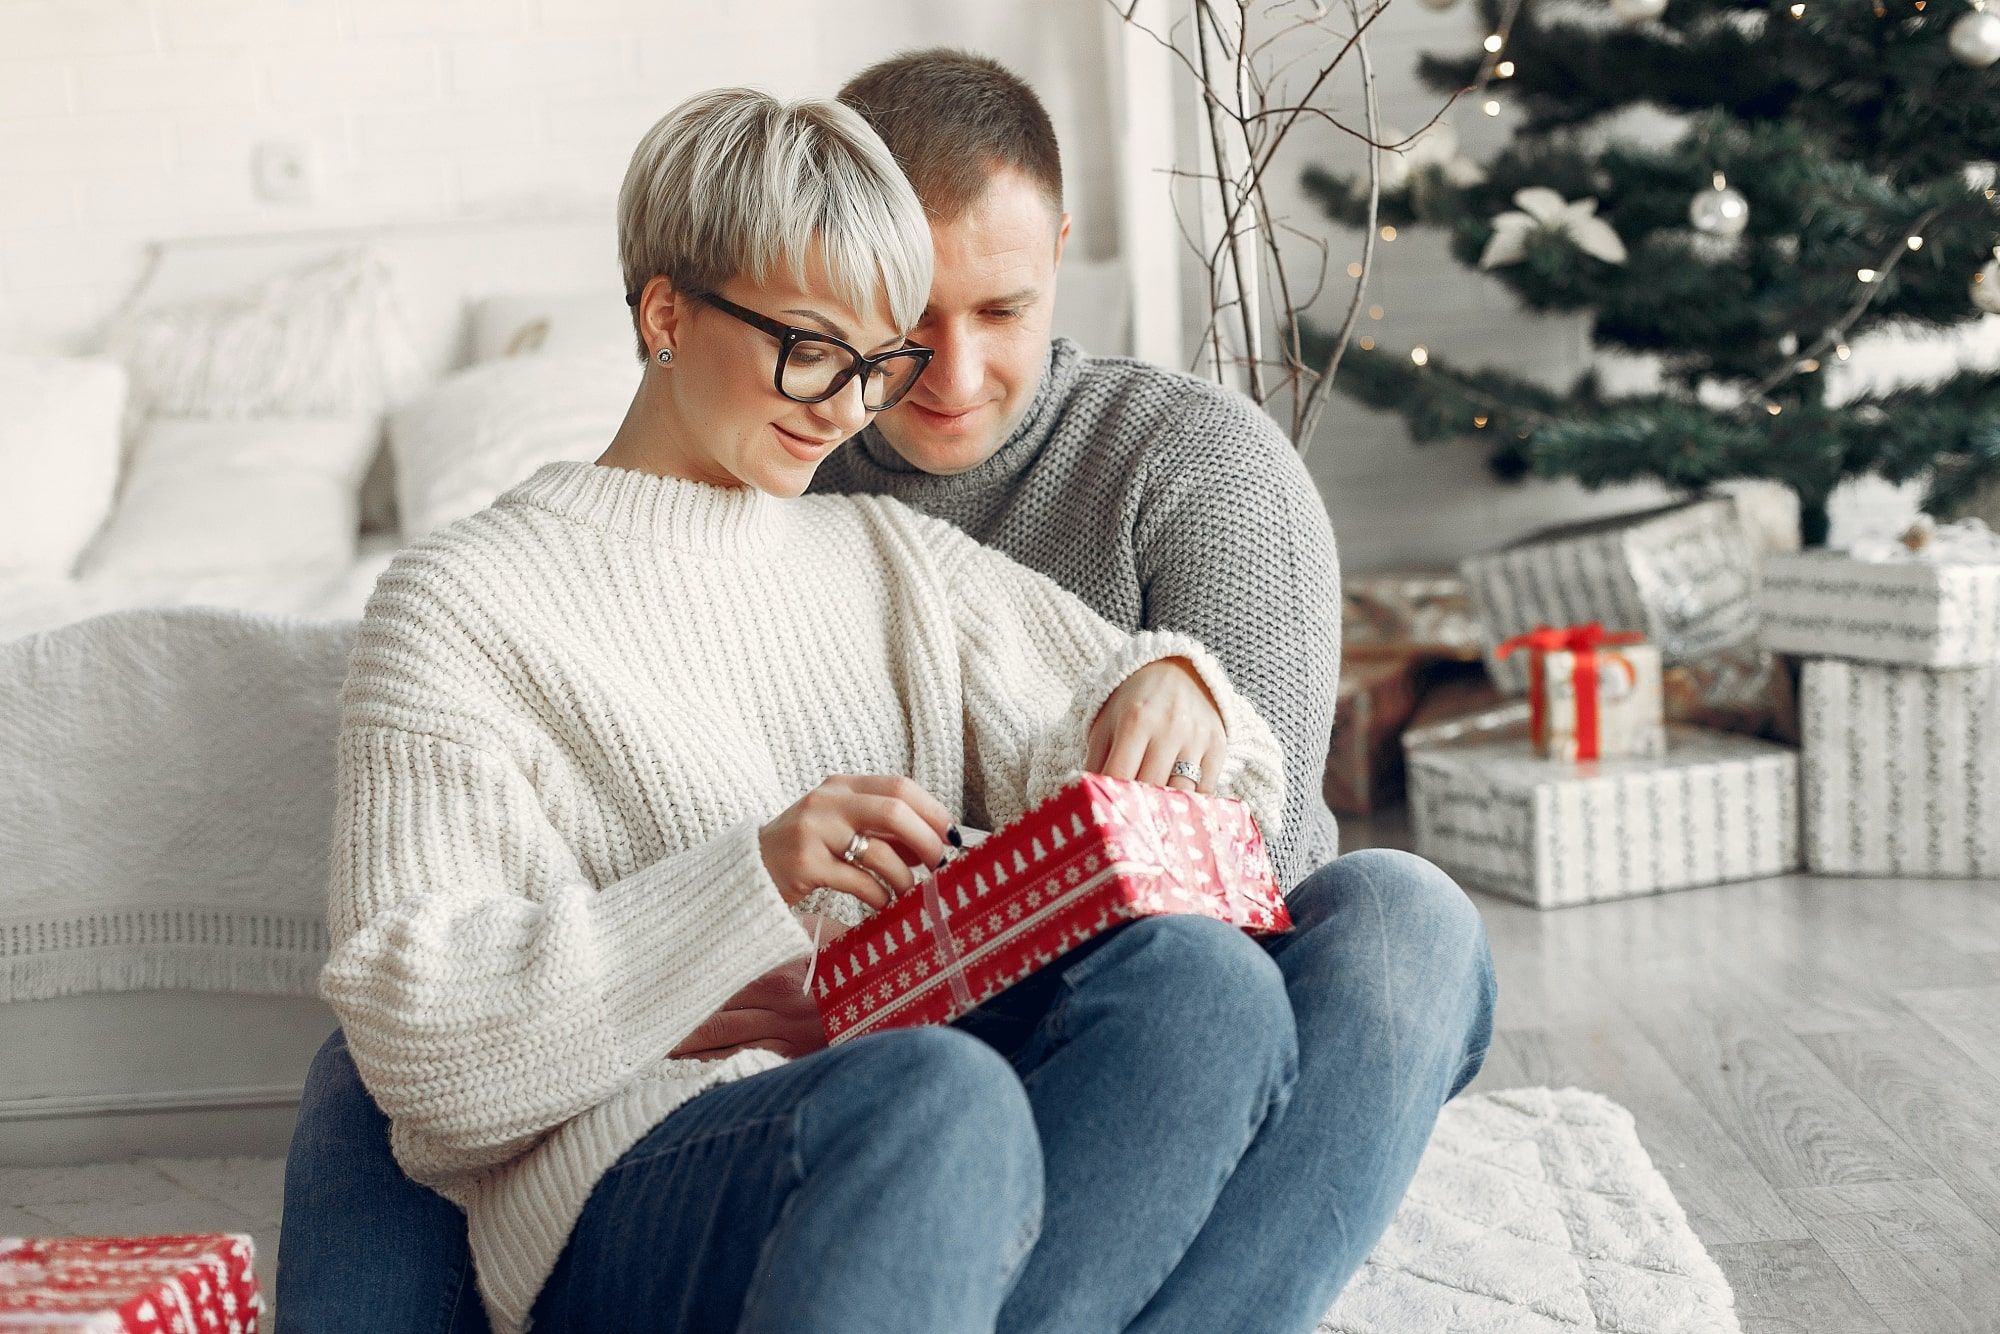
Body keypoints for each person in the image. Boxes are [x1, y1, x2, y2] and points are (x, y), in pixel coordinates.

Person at [280, 85, 1311, 1334]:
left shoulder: (886, 551)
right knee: (934, 1094)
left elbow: (1241, 794)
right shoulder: (458, 603)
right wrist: (742, 885)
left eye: (875, 366)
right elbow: (409, 1035)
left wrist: (1169, 682)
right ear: (665, 310)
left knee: (1209, 987)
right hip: (631, 1176)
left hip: (912, 1136)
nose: (841, 408)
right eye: (809, 346)